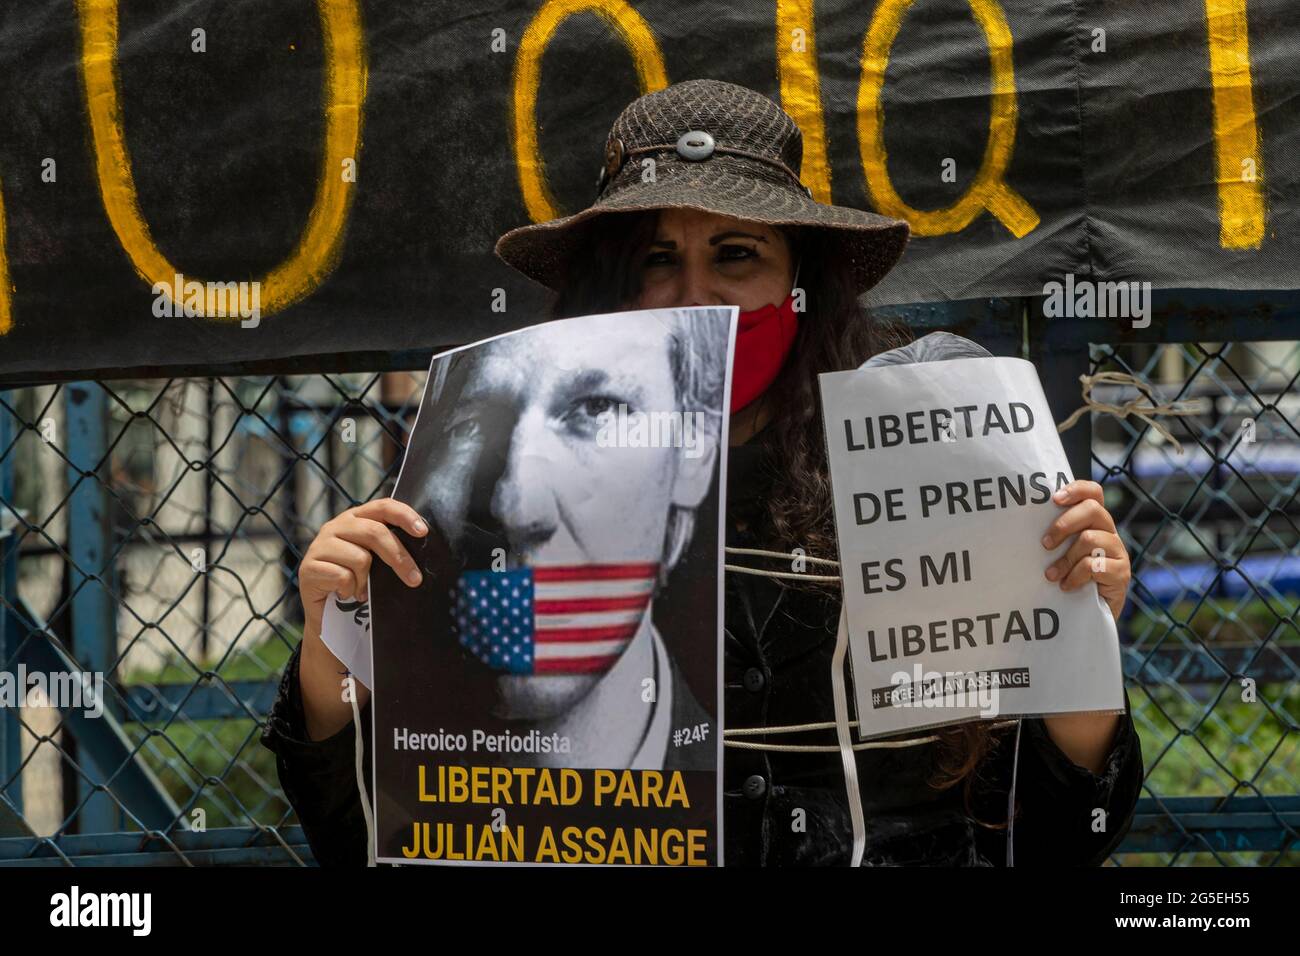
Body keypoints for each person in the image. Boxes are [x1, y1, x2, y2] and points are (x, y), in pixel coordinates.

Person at [261, 78, 1143, 867]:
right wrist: (333, 648)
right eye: (656, 260)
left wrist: (1077, 638)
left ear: (803, 277)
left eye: (736, 255)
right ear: (611, 286)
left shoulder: (918, 456)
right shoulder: (496, 503)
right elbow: (377, 833)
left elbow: (1053, 841)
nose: (695, 296)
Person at [367, 308, 729, 770]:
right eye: (474, 424)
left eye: (597, 409)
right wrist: (327, 659)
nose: (517, 508)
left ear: (693, 450)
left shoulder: (745, 786)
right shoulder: (392, 743)